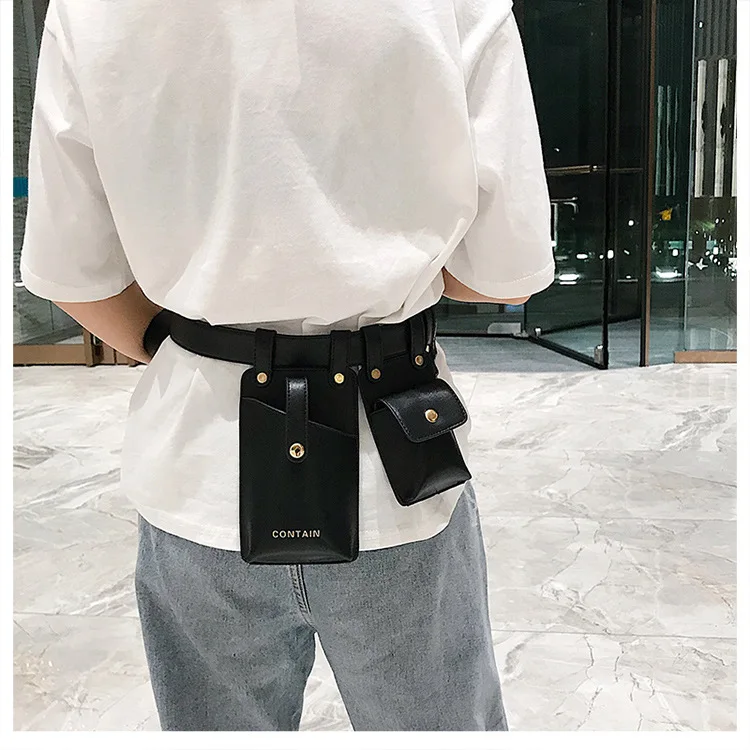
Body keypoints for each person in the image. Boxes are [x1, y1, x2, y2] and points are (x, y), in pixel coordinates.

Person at [21, 0, 554, 732]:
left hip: (199, 464)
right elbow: (502, 273)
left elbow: (73, 273)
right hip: (392, 461)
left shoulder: (91, 9)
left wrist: (199, 352)